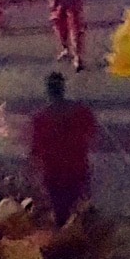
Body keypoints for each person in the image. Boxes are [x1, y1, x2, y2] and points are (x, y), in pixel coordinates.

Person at [27, 69, 101, 223]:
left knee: (60, 212)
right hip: (77, 168)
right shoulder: (82, 112)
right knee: (79, 210)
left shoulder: (41, 118)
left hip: (53, 172)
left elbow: (35, 149)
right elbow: (92, 135)